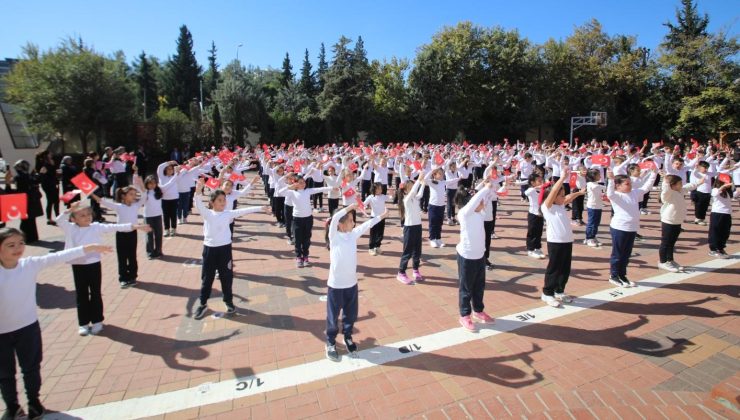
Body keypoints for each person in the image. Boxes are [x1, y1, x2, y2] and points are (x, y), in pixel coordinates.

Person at [0, 227, 111, 420]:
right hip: (1, 333)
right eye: (10, 245)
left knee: (31, 368)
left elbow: (58, 256)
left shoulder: (29, 264)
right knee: (4, 373)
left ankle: (34, 402)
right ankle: (12, 406)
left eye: (21, 243)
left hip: (28, 328)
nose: (18, 248)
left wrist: (88, 247)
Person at [56, 202, 150, 335]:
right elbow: (58, 220)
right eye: (82, 215)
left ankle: (97, 321)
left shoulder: (96, 227)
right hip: (78, 265)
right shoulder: (70, 228)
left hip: (94, 264)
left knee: (95, 292)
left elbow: (114, 226)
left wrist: (135, 226)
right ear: (73, 219)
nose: (87, 217)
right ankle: (83, 323)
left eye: (89, 214)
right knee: (82, 294)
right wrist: (68, 210)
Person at [192, 178, 269, 320]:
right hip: (210, 250)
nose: (223, 203)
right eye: (220, 200)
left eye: (224, 200)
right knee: (207, 278)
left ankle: (228, 301)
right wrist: (198, 190)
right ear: (212, 202)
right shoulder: (208, 214)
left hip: (225, 250)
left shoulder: (228, 214)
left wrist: (260, 208)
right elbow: (198, 204)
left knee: (226, 277)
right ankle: (203, 304)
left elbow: (244, 210)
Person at [324, 203, 387, 361]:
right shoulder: (334, 236)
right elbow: (335, 217)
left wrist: (381, 216)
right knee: (333, 317)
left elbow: (367, 224)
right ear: (341, 223)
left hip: (351, 284)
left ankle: (347, 336)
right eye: (351, 220)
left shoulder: (352, 234)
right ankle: (330, 342)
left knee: (350, 315)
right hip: (336, 286)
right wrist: (348, 208)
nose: (354, 223)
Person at [540, 168, 585, 308]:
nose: (563, 197)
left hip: (567, 241)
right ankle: (547, 293)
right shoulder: (547, 207)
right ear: (553, 197)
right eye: (561, 195)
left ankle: (559, 290)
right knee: (554, 268)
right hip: (555, 242)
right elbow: (553, 192)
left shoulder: (560, 206)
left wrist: (579, 192)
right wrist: (562, 178)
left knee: (565, 268)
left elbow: (569, 198)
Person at [454, 182, 495, 332]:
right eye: (479, 201)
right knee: (466, 288)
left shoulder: (479, 213)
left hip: (479, 255)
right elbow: (475, 200)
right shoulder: (464, 214)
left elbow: (488, 197)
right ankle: (464, 315)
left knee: (479, 286)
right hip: (466, 256)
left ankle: (478, 310)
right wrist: (484, 188)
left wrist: (490, 188)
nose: (482, 203)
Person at [606, 168, 657, 288]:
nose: (629, 186)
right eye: (626, 184)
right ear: (618, 186)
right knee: (617, 254)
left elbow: (647, 187)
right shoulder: (616, 195)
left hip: (632, 228)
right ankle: (613, 276)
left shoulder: (634, 193)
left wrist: (653, 173)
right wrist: (611, 179)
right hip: (619, 228)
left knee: (626, 254)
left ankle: (622, 275)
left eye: (630, 183)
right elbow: (609, 193)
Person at [91, 185, 145, 288]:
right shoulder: (118, 206)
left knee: (132, 256)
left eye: (135, 194)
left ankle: (133, 276)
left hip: (132, 234)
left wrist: (139, 186)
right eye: (131, 194)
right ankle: (123, 278)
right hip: (121, 235)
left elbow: (144, 196)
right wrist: (91, 193)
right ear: (123, 196)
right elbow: (102, 201)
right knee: (122, 257)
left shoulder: (136, 205)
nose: (134, 196)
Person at [278, 174, 333, 268]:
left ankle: (306, 256)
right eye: (300, 183)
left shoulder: (307, 191)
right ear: (295, 184)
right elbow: (280, 192)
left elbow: (320, 189)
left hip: (308, 219)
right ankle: (299, 257)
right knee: (298, 239)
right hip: (297, 219)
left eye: (304, 182)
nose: (303, 184)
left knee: (307, 239)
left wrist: (332, 188)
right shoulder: (292, 192)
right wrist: (289, 187)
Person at [658, 174, 701, 271]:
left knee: (672, 242)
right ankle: (662, 262)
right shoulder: (669, 193)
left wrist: (699, 182)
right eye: (679, 183)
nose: (682, 185)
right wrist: (665, 181)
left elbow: (689, 186)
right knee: (666, 242)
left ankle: (670, 260)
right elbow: (665, 190)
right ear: (672, 185)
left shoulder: (680, 190)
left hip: (677, 221)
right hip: (668, 221)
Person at [397, 173, 426, 284]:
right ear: (405, 191)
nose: (412, 190)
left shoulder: (415, 199)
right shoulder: (406, 200)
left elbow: (419, 194)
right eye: (410, 188)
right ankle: (401, 272)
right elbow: (414, 191)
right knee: (407, 251)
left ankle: (415, 270)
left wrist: (422, 184)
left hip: (418, 226)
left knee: (417, 250)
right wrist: (418, 180)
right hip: (409, 228)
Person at [8, 161, 43, 243]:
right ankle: (28, 237)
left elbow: (35, 181)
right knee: (27, 219)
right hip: (25, 199)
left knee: (28, 219)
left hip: (26, 199)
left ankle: (30, 237)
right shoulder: (21, 176)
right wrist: (40, 174)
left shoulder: (23, 176)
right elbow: (33, 182)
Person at [425, 168, 460, 248]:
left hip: (441, 206)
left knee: (439, 223)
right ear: (435, 174)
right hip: (433, 206)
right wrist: (432, 171)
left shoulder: (443, 182)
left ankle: (438, 238)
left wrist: (459, 178)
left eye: (442, 174)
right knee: (433, 223)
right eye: (440, 173)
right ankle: (432, 239)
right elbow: (425, 179)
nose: (442, 175)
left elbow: (451, 181)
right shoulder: (432, 182)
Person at [136, 174, 166, 259]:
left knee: (158, 234)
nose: (152, 185)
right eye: (150, 183)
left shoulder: (159, 191)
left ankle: (158, 251)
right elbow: (139, 186)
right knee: (149, 235)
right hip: (148, 216)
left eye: (153, 183)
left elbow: (169, 184)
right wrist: (136, 175)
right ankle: (150, 252)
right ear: (146, 184)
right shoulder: (145, 192)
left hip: (158, 215)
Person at [707, 177, 733, 258]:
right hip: (717, 213)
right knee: (715, 231)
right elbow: (715, 193)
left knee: (725, 232)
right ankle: (713, 250)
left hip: (727, 214)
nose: (729, 183)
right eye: (728, 181)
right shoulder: (715, 189)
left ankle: (720, 248)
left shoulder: (727, 192)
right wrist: (724, 186)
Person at [157, 161, 181, 237]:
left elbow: (183, 171)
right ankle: (166, 229)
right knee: (166, 215)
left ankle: (173, 229)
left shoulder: (176, 176)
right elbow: (160, 167)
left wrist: (178, 170)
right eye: (168, 169)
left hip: (174, 199)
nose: (170, 170)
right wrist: (169, 162)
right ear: (165, 170)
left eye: (171, 169)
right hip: (165, 199)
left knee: (173, 214)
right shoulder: (162, 177)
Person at [35, 151, 60, 226]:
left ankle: (58, 216)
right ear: (46, 155)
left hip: (53, 182)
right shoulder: (43, 163)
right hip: (47, 184)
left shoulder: (51, 161)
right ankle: (49, 218)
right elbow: (42, 173)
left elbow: (53, 172)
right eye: (49, 153)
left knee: (56, 200)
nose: (51, 154)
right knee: (50, 200)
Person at [524, 173, 546, 259]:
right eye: (539, 181)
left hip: (540, 214)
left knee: (539, 232)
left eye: (541, 180)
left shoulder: (541, 190)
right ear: (533, 183)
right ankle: (530, 249)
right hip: (533, 214)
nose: (541, 182)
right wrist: (535, 188)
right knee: (532, 232)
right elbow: (526, 193)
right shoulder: (531, 190)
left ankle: (537, 248)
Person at [362, 182, 388, 255]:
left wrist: (392, 194)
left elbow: (390, 197)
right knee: (373, 233)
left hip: (382, 217)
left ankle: (377, 246)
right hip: (373, 218)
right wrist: (363, 208)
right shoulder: (370, 197)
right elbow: (363, 204)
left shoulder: (383, 196)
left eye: (381, 188)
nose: (380, 190)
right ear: (374, 189)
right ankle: (371, 248)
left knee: (380, 233)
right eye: (378, 188)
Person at [584, 169, 605, 247]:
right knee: (591, 223)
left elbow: (601, 188)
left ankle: (593, 236)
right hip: (592, 207)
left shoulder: (596, 184)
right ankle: (589, 238)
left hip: (598, 206)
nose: (600, 176)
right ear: (593, 176)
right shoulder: (591, 184)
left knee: (596, 223)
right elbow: (599, 187)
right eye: (598, 174)